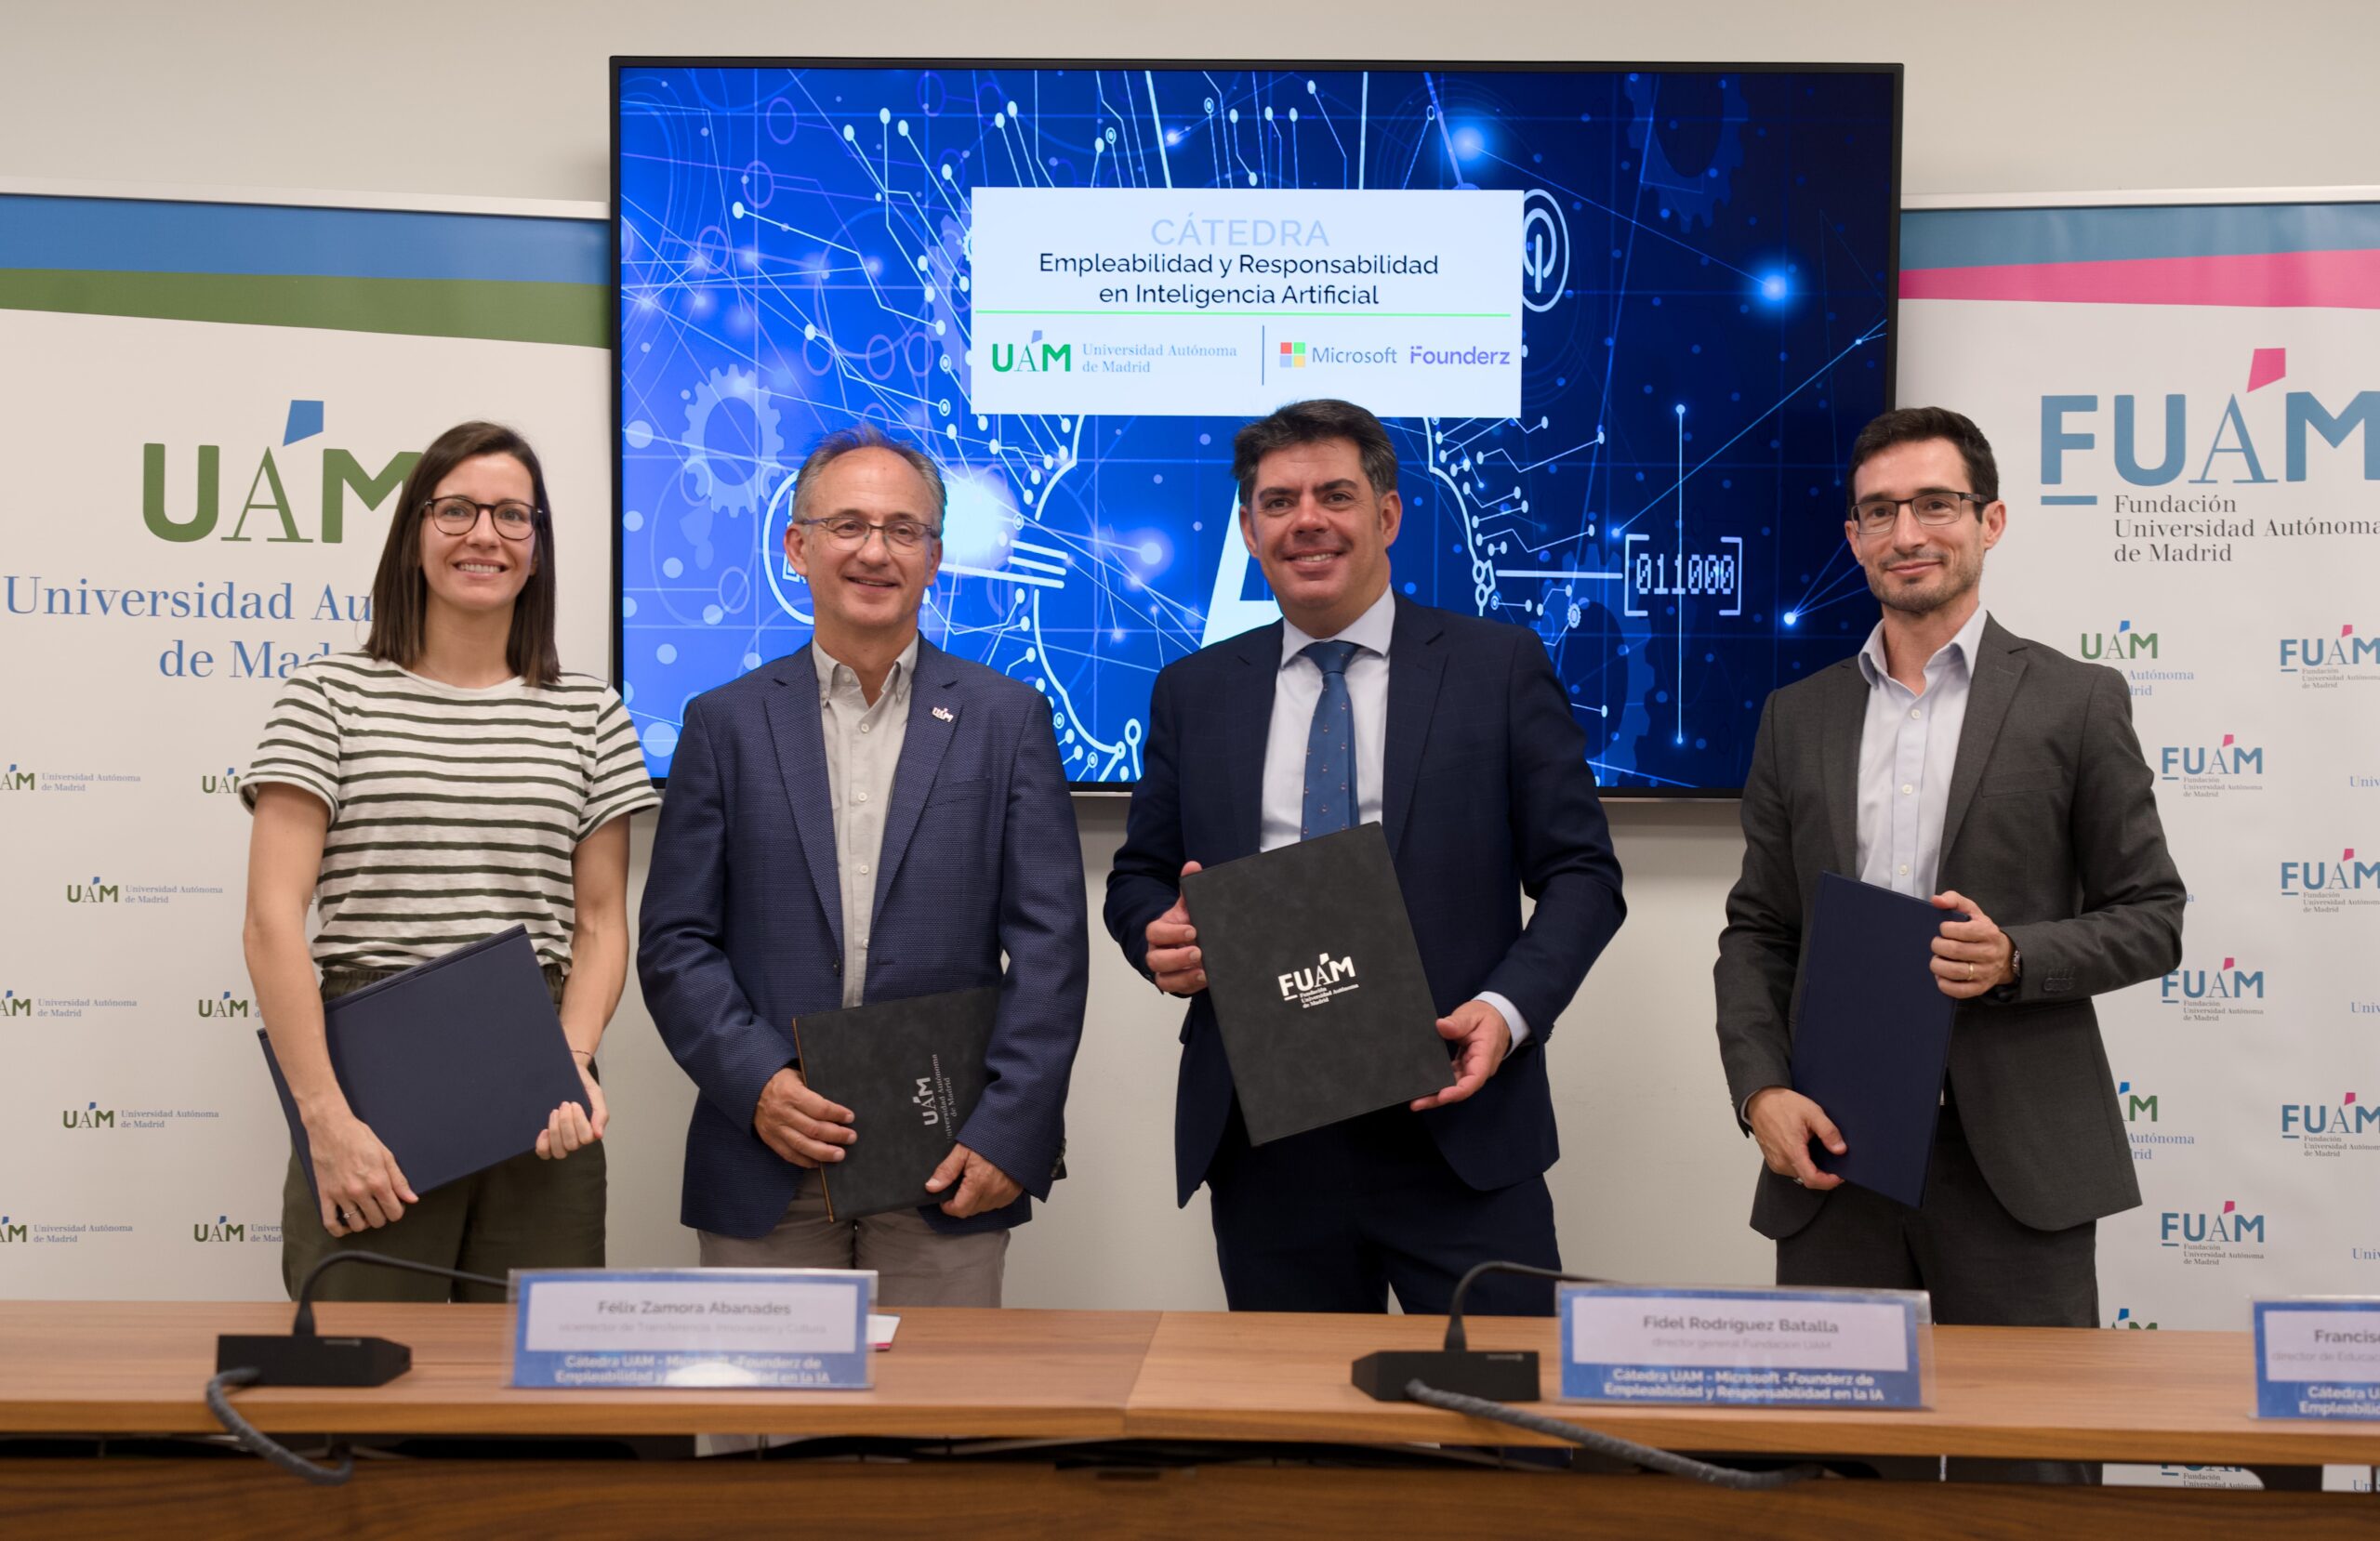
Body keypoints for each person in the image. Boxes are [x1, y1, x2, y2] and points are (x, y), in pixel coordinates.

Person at [1104, 398, 1625, 1317]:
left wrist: (1506, 1012)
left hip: (1458, 1122)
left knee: (1500, 1400)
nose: (1306, 520)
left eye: (1335, 495)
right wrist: (1159, 934)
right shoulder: (1194, 691)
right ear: (1249, 530)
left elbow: (1584, 876)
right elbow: (1140, 876)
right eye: (1279, 502)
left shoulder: (1497, 667)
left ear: (1386, 514)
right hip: (1266, 1138)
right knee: (1291, 1411)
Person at [1714, 405, 2184, 1339]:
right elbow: (1758, 931)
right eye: (1880, 511)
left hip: (2014, 1160)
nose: (1908, 534)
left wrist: (2016, 956)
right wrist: (1759, 1090)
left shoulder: (2077, 701)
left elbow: (2152, 915)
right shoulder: (1795, 718)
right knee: (1837, 1432)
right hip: (1833, 1150)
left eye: (1936, 503)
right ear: (1853, 536)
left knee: (2026, 1434)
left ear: (1989, 520)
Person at [639, 425, 1086, 1307]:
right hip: (768, 1148)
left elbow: (1051, 951)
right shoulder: (723, 723)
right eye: (847, 525)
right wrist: (757, 1082)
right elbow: (676, 941)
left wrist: (1010, 1128)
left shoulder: (1008, 719)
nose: (875, 552)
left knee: (936, 1399)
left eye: (903, 529)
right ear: (797, 547)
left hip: (946, 1155)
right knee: (768, 1399)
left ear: (936, 557)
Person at [242, 420, 656, 1302]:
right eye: (457, 510)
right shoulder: (327, 696)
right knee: (362, 1358)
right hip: (371, 1074)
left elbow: (599, 922)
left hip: (540, 1075)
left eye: (513, 515)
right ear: (414, 534)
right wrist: (326, 1118)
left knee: (535, 1359)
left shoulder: (590, 713)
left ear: (537, 548)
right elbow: (272, 920)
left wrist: (572, 1061)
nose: (485, 535)